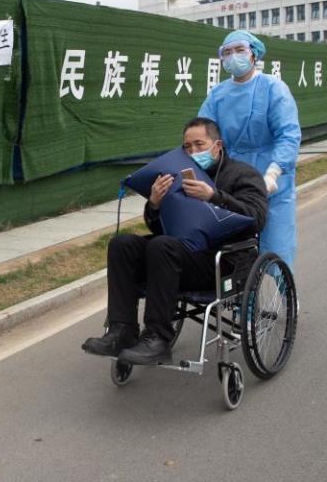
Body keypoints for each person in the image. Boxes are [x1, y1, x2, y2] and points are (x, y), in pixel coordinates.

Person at [81, 117, 268, 365]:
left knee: (162, 246)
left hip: (221, 261)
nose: (192, 152)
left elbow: (256, 218)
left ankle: (158, 336)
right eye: (187, 147)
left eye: (199, 145)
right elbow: (161, 227)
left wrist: (214, 196)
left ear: (217, 145)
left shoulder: (243, 174)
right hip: (177, 255)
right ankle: (122, 330)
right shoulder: (176, 175)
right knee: (122, 244)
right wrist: (155, 204)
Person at [198, 30, 301, 269]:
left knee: (277, 248)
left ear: (254, 55)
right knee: (232, 251)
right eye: (227, 52)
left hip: (272, 180)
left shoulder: (273, 88)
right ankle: (243, 302)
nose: (233, 56)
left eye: (240, 50)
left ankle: (286, 300)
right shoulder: (217, 95)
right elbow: (204, 132)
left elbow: (288, 134)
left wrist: (274, 172)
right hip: (232, 180)